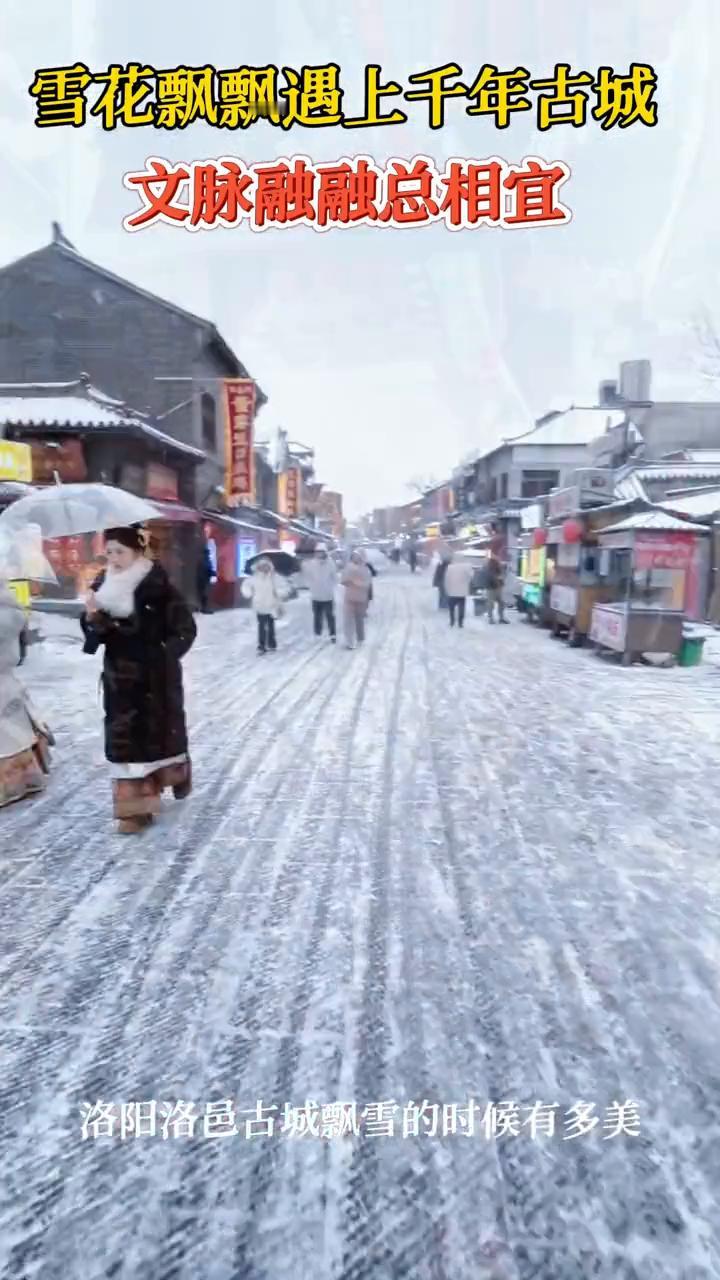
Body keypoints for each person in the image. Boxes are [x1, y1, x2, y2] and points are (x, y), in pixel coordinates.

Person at [80, 527, 196, 836]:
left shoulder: (159, 586)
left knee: (158, 737)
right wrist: (92, 618)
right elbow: (96, 638)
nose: (114, 558)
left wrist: (163, 654)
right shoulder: (101, 585)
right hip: (120, 678)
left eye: (120, 551)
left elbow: (185, 629)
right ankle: (134, 809)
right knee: (125, 743)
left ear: (136, 552)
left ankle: (173, 776)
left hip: (155, 677)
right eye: (109, 552)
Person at [0, 582, 52, 809]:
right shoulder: (11, 608)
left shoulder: (5, 613)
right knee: (13, 733)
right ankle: (23, 778)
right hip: (6, 680)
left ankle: (12, 784)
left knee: (7, 737)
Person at [242, 558, 287, 654]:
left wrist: (279, 592)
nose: (264, 568)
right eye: (262, 566)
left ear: (270, 567)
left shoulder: (274, 577)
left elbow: (283, 587)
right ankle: (261, 646)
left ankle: (271, 644)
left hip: (272, 605)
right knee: (261, 627)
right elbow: (246, 586)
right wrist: (248, 592)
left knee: (271, 626)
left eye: (266, 566)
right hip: (259, 605)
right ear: (258, 567)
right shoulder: (254, 578)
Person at [302, 543, 337, 642]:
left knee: (330, 615)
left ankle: (332, 634)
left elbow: (334, 577)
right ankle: (317, 633)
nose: (319, 554)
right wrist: (311, 585)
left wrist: (330, 586)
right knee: (317, 616)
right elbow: (307, 575)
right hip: (316, 595)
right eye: (317, 552)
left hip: (328, 596)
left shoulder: (330, 563)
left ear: (325, 553)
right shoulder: (312, 564)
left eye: (321, 552)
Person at [340, 551, 372, 649]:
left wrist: (355, 582)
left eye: (357, 556)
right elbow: (343, 581)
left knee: (359, 620)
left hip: (361, 598)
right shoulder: (348, 568)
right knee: (348, 620)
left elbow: (367, 584)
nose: (356, 558)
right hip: (349, 598)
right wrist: (349, 581)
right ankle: (349, 641)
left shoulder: (365, 569)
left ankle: (360, 638)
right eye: (354, 556)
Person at [444, 554, 474, 629]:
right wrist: (467, 582)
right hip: (462, 592)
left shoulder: (450, 567)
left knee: (451, 608)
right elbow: (471, 576)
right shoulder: (466, 567)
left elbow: (447, 579)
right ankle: (460, 623)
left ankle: (452, 621)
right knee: (461, 608)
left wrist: (447, 589)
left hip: (452, 591)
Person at [486, 556, 509, 624]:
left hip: (494, 588)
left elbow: (502, 576)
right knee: (494, 603)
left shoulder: (497, 568)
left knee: (496, 603)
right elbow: (501, 577)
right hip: (494, 588)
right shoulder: (490, 569)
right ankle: (496, 618)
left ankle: (494, 618)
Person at [196, 540, 216, 613]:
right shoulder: (205, 561)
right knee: (205, 595)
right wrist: (213, 573)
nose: (209, 554)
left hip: (202, 580)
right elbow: (208, 569)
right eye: (208, 553)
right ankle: (204, 609)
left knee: (203, 595)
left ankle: (203, 608)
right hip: (204, 581)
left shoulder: (201, 560)